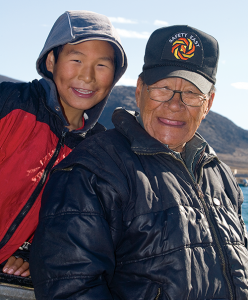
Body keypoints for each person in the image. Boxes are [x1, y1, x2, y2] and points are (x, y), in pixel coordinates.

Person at [30, 25, 248, 299]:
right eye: (162, 88)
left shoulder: (220, 176)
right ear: (139, 90)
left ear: (209, 103)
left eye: (191, 94)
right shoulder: (92, 171)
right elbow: (70, 288)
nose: (174, 104)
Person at [0, 10, 127, 278]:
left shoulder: (96, 152)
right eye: (76, 59)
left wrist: (27, 253)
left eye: (102, 65)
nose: (88, 76)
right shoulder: (9, 104)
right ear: (50, 60)